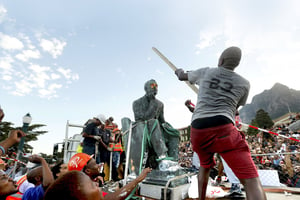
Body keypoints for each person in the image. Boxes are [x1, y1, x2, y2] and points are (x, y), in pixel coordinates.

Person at [175, 46, 266, 200]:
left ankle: (201, 198)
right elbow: (235, 109)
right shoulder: (244, 84)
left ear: (221, 60)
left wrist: (179, 71)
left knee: (204, 167)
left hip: (199, 129)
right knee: (251, 181)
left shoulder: (207, 71)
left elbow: (182, 76)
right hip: (224, 128)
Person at [127, 79, 179, 173]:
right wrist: (152, 104)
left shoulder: (160, 104)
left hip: (156, 128)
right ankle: (162, 156)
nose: (155, 89)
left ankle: (173, 162)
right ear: (146, 89)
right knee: (153, 122)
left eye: (156, 87)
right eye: (152, 87)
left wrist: (169, 127)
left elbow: (162, 120)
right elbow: (141, 118)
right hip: (142, 129)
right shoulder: (137, 103)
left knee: (174, 133)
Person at [67, 153, 152, 200]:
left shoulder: (80, 186)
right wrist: (138, 179)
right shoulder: (85, 191)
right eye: (95, 164)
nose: (99, 165)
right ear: (88, 171)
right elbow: (111, 198)